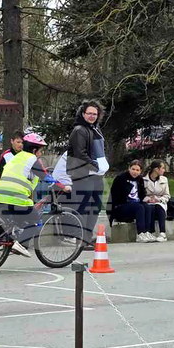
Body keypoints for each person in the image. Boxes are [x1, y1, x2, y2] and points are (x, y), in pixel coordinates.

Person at [0, 132, 49, 257]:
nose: (41, 154)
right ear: (35, 150)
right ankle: (21, 245)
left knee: (17, 218)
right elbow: (46, 177)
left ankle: (4, 240)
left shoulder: (17, 157)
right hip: (16, 197)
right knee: (36, 221)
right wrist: (64, 186)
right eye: (40, 151)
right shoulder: (32, 159)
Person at [66, 101, 109, 247]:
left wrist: (102, 165)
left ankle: (87, 238)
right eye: (89, 113)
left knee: (94, 208)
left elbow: (99, 150)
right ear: (83, 114)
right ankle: (80, 238)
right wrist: (97, 165)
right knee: (83, 207)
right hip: (83, 174)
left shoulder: (95, 129)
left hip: (96, 175)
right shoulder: (80, 130)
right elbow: (80, 154)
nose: (92, 116)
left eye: (95, 114)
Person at [110, 160, 155, 242]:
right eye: (133, 169)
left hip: (135, 204)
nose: (135, 172)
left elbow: (141, 195)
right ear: (129, 168)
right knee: (139, 207)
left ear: (140, 171)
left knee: (147, 207)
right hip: (121, 206)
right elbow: (115, 196)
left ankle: (147, 232)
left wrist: (147, 199)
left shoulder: (140, 179)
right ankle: (140, 233)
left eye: (137, 170)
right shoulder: (121, 178)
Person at [143, 160, 170, 242]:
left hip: (160, 202)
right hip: (147, 202)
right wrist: (148, 200)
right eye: (162, 168)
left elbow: (167, 195)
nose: (164, 170)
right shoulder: (143, 179)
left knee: (159, 207)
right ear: (156, 169)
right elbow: (140, 195)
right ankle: (151, 232)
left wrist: (159, 199)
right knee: (150, 208)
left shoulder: (164, 179)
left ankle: (163, 233)